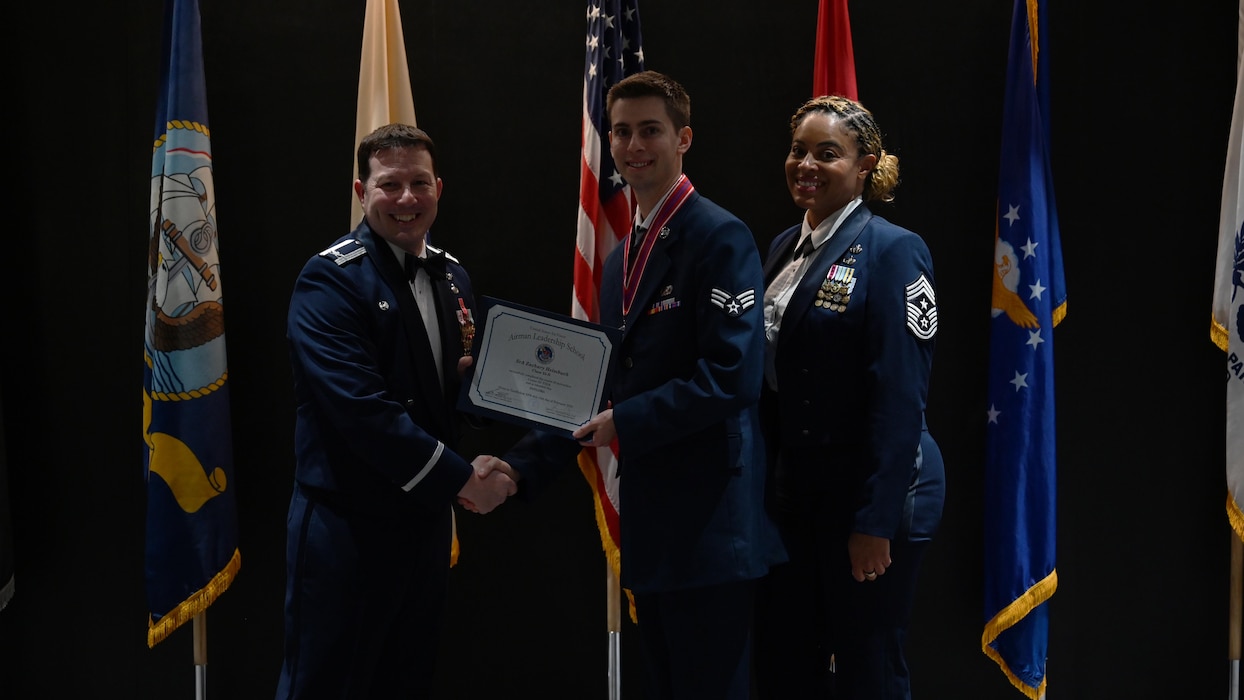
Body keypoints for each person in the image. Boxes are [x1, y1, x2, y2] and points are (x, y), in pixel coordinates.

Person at [498, 70, 786, 699]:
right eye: (622, 131)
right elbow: (596, 383)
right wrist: (520, 467)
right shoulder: (621, 255)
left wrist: (625, 422)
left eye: (649, 130)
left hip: (712, 525)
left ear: (684, 138)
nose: (633, 146)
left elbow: (731, 377)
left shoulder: (719, 236)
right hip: (654, 525)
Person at [277, 123, 516, 699]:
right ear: (361, 191)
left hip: (424, 528)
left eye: (418, 183)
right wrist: (464, 481)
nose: (406, 199)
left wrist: (483, 391)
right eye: (389, 185)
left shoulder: (451, 276)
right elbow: (364, 414)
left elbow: (445, 392)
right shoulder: (329, 281)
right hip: (348, 529)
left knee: (406, 683)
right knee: (328, 686)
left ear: (439, 187)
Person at [752, 95, 946, 700]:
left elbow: (901, 395)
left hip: (871, 493)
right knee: (789, 662)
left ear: (865, 167)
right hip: (798, 492)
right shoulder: (784, 245)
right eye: (798, 150)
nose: (806, 164)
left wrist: (875, 521)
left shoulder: (893, 249)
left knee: (867, 668)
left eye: (827, 154)